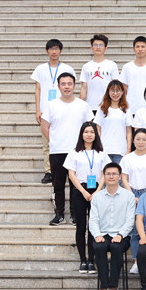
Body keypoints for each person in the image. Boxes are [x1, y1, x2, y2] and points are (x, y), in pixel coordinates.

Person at [41, 72, 92, 226]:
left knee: (76, 185)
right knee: (58, 185)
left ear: (74, 85)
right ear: (58, 86)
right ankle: (59, 214)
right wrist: (54, 141)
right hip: (57, 151)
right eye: (63, 84)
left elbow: (90, 126)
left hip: (78, 151)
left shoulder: (82, 105)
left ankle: (76, 215)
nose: (67, 87)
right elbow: (44, 126)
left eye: (70, 83)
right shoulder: (51, 105)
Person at [65, 121, 110, 272]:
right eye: (86, 132)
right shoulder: (74, 152)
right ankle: (83, 260)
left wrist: (98, 190)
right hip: (80, 190)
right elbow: (71, 174)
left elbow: (105, 173)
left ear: (96, 134)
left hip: (97, 190)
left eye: (92, 132)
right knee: (81, 227)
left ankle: (91, 260)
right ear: (81, 134)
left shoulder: (101, 153)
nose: (89, 135)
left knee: (93, 226)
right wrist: (83, 191)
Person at [32, 38, 75, 183]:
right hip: (46, 111)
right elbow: (38, 89)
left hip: (64, 109)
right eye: (51, 49)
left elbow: (71, 88)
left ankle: (69, 169)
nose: (54, 51)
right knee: (47, 142)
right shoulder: (40, 69)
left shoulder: (67, 69)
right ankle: (49, 171)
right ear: (47, 51)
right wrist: (38, 109)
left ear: (61, 51)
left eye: (56, 48)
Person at [120, 128, 146, 274]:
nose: (141, 142)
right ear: (133, 141)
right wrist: (132, 195)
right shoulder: (127, 158)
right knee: (134, 230)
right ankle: (136, 261)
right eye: (138, 139)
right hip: (131, 192)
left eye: (144, 139)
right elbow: (124, 178)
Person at [89, 161, 135, 290]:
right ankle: (104, 286)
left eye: (114, 174)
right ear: (104, 176)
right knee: (99, 247)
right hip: (103, 233)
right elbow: (93, 220)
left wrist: (120, 235)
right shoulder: (97, 197)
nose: (111, 176)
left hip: (121, 234)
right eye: (108, 174)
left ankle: (113, 285)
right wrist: (97, 235)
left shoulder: (129, 196)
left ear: (120, 176)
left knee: (116, 247)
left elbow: (130, 220)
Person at [94, 80, 132, 165]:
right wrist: (98, 146)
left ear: (122, 92)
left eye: (118, 90)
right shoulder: (102, 109)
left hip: (121, 150)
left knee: (119, 173)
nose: (115, 93)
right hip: (104, 149)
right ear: (108, 92)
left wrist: (128, 149)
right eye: (112, 90)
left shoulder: (126, 109)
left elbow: (129, 131)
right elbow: (98, 130)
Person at [79, 34, 119, 114]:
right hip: (90, 106)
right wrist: (79, 104)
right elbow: (84, 88)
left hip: (108, 106)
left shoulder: (112, 65)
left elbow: (116, 87)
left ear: (105, 48)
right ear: (91, 48)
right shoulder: (86, 66)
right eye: (95, 45)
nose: (98, 47)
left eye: (101, 45)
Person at [119, 36, 146, 113]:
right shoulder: (127, 67)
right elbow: (124, 89)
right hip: (131, 108)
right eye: (137, 47)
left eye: (143, 47)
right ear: (133, 49)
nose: (140, 49)